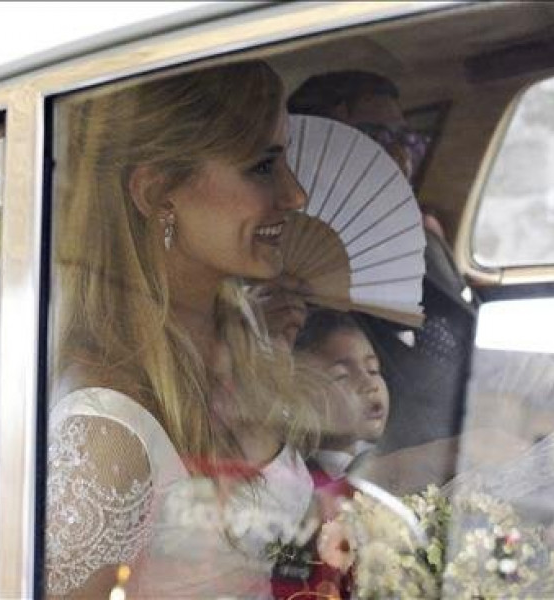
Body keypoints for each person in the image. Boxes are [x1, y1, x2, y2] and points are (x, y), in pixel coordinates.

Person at [45, 60, 324, 598]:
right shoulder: (106, 428)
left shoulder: (238, 341)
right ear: (156, 192)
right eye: (263, 167)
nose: (295, 195)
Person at [287, 70, 476, 462]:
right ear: (323, 153)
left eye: (405, 140)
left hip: (478, 415)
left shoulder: (420, 240)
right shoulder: (292, 272)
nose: (399, 157)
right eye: (376, 139)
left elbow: (464, 331)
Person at [294, 309, 391, 480]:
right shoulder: (300, 481)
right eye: (341, 376)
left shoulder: (392, 452)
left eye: (373, 370)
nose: (370, 385)